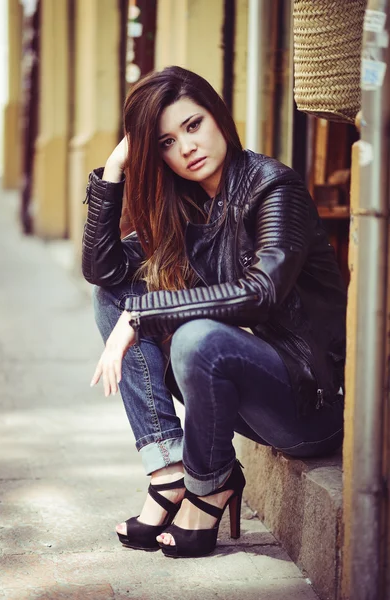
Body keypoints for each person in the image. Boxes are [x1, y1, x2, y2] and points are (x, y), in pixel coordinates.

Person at [82, 66, 346, 559]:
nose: (186, 148)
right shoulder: (184, 205)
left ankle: (209, 488)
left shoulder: (273, 188)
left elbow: (261, 292)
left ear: (218, 117)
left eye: (193, 125)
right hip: (246, 396)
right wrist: (115, 169)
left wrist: (142, 317)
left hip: (314, 404)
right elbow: (105, 272)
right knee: (114, 297)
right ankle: (169, 471)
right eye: (165, 142)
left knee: (195, 337)